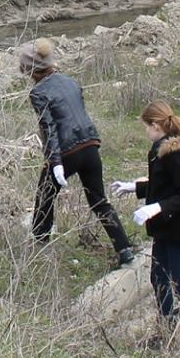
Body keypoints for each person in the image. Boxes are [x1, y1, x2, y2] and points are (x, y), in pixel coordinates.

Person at [21, 38, 134, 267]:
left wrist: (55, 162)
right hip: (90, 146)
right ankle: (125, 250)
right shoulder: (71, 81)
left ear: (31, 70)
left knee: (45, 196)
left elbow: (49, 128)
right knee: (99, 200)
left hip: (67, 152)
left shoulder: (38, 93)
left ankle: (40, 245)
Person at [113, 101, 180, 335]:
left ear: (156, 126)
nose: (145, 131)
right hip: (165, 227)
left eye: (146, 127)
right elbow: (164, 184)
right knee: (158, 278)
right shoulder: (162, 150)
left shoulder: (175, 155)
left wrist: (156, 208)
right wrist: (135, 188)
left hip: (179, 229)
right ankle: (166, 328)